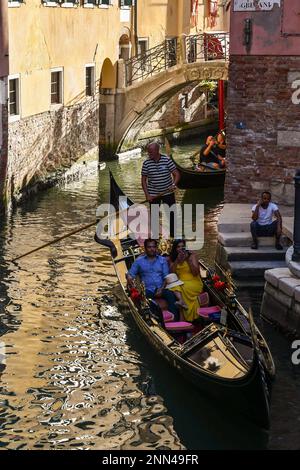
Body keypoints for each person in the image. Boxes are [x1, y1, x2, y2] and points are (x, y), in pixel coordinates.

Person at [126, 238, 180, 320]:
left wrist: (161, 289)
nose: (152, 249)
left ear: (156, 248)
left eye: (154, 247)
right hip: (147, 290)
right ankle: (153, 320)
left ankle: (174, 320)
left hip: (161, 288)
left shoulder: (162, 260)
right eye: (149, 247)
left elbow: (166, 277)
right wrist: (129, 278)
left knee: (171, 295)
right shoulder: (139, 261)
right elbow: (130, 274)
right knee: (144, 299)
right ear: (145, 248)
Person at [141, 142, 180, 238]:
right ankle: (155, 238)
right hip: (153, 194)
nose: (149, 154)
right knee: (154, 218)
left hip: (168, 192)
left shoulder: (167, 160)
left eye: (151, 152)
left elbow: (177, 174)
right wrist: (147, 195)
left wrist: (174, 184)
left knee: (171, 216)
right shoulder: (146, 163)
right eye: (148, 152)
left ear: (157, 151)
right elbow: (143, 180)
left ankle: (173, 237)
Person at [168, 239, 204, 322]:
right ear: (175, 249)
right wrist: (177, 260)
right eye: (178, 247)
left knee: (181, 286)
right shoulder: (173, 258)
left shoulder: (192, 255)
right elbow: (171, 273)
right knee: (174, 285)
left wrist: (188, 260)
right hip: (181, 281)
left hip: (194, 282)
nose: (180, 249)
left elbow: (196, 273)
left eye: (182, 247)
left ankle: (185, 317)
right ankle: (181, 302)